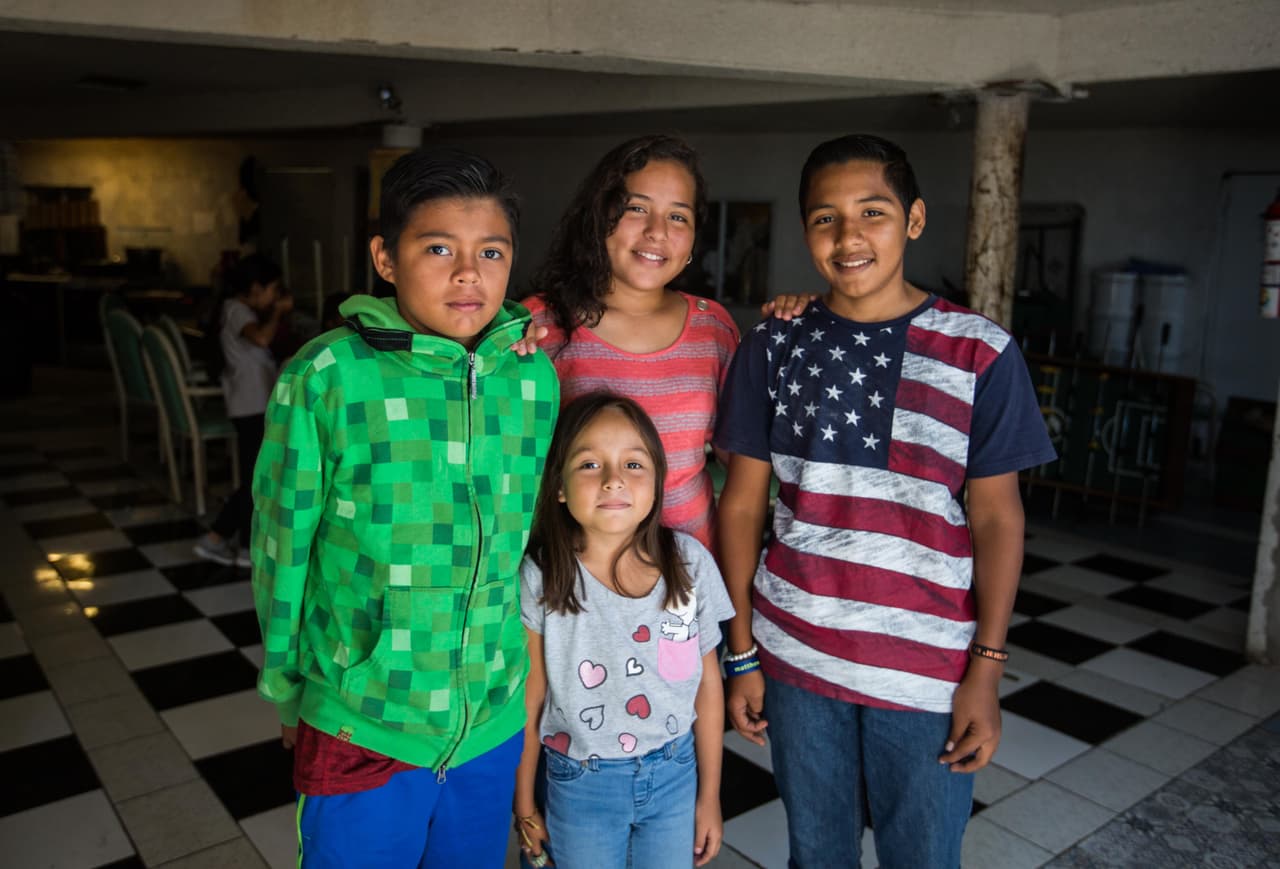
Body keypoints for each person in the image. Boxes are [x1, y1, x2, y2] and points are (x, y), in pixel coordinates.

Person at [714, 134, 1056, 868]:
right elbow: (741, 506)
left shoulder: (979, 351)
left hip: (928, 667)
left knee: (924, 857)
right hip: (798, 656)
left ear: (915, 219)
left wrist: (987, 669)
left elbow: (998, 517)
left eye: (872, 211)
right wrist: (740, 651)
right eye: (824, 218)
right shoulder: (773, 341)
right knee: (818, 853)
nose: (848, 237)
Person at [250, 147, 560, 869]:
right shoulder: (329, 375)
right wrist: (287, 687)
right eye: (438, 248)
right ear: (385, 258)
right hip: (363, 720)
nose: (467, 273)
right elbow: (282, 544)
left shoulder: (531, 376)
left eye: (491, 251)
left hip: (489, 717)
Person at [514, 393, 734, 869]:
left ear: (657, 483)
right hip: (581, 782)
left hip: (676, 772)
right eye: (590, 464)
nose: (614, 479)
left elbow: (707, 686)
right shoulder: (543, 576)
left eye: (634, 465)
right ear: (559, 487)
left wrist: (710, 796)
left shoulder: (688, 564)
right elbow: (530, 700)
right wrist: (524, 803)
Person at [519, 134, 739, 551]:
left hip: (688, 583)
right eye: (636, 208)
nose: (657, 231)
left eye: (678, 217)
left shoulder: (714, 330)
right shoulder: (540, 324)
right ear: (600, 217)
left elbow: (742, 467)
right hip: (575, 580)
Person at [194, 253, 292, 567]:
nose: (274, 296)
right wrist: (277, 313)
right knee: (258, 479)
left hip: (251, 404)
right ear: (254, 287)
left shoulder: (235, 310)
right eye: (272, 290)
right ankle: (229, 543)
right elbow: (262, 339)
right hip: (250, 407)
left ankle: (225, 541)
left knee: (256, 477)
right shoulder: (236, 310)